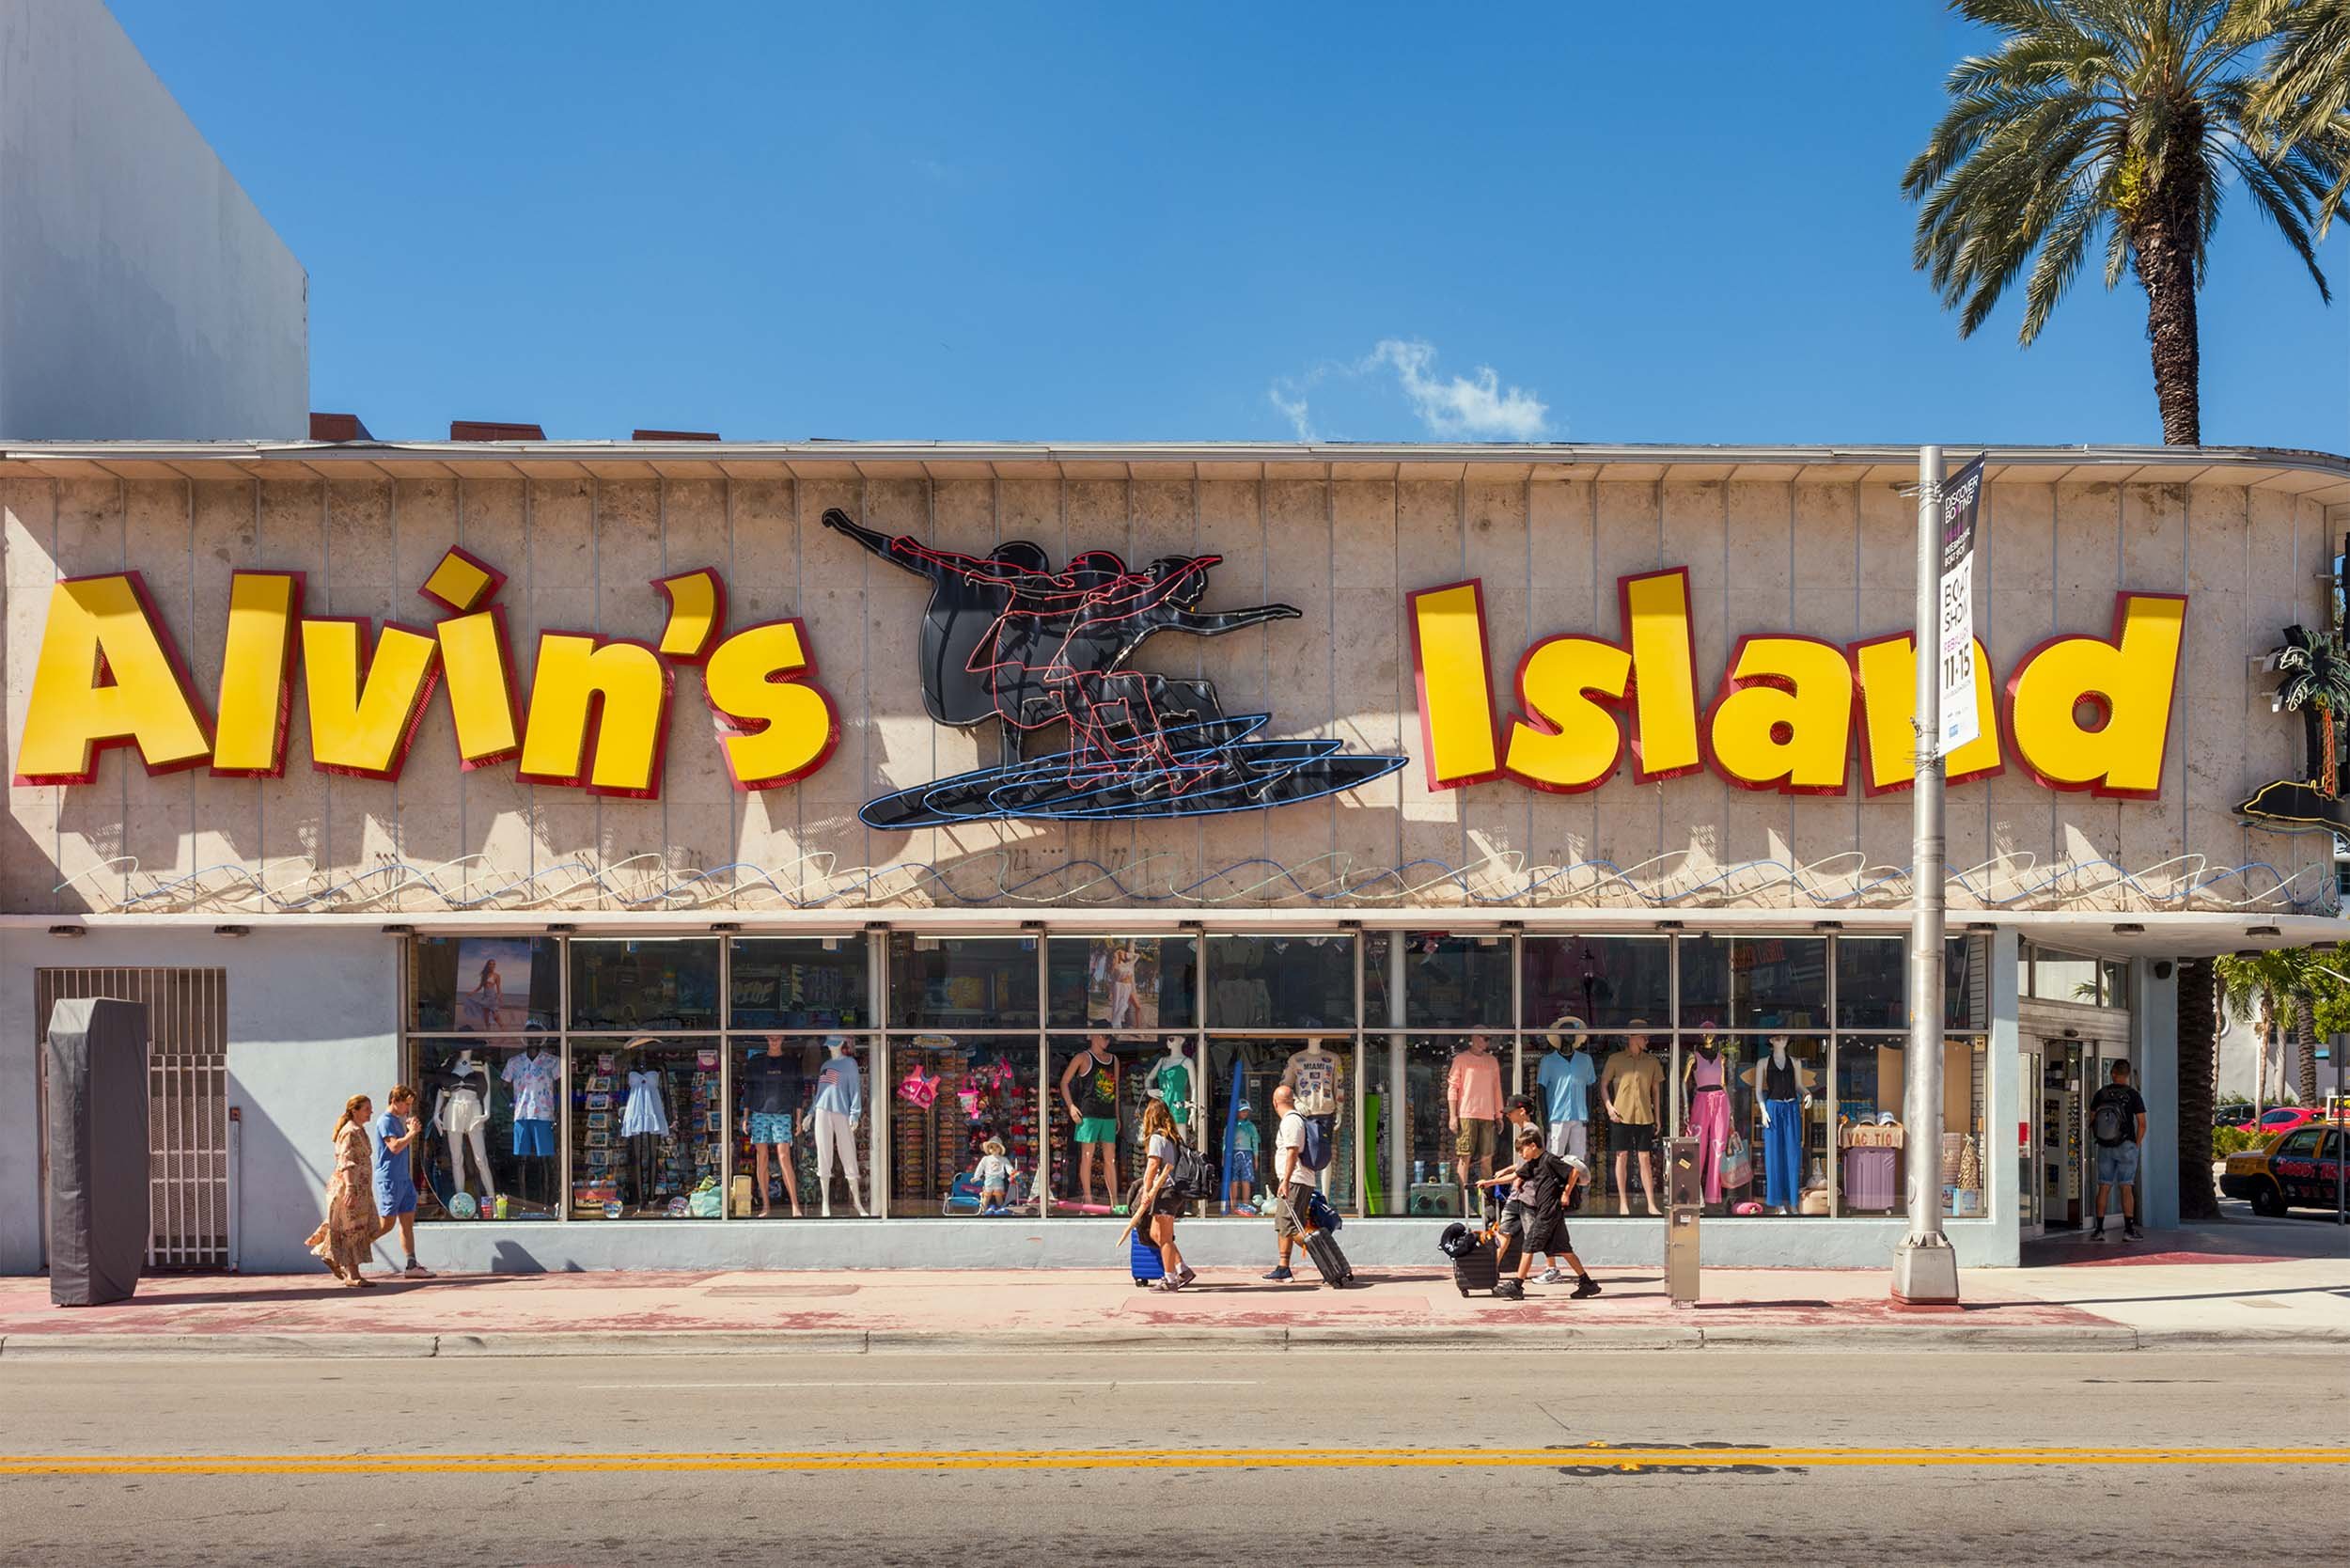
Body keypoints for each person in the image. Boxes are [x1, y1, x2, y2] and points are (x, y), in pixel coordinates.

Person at [1493, 1130, 1601, 1300]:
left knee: (1529, 1245)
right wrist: (1488, 1183)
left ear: (1533, 1146)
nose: (1520, 1154)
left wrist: (1566, 1193)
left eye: (1522, 1150)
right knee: (1564, 1249)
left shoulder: (1549, 1159)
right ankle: (1587, 1283)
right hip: (1551, 1211)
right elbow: (1514, 1176)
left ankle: (1517, 1285)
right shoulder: (1533, 1164)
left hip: (1549, 1211)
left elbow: (1573, 1172)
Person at [305, 1094, 381, 1287]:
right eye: (366, 1109)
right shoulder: (349, 1132)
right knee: (351, 1229)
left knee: (359, 1227)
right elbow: (345, 1161)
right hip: (348, 1187)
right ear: (354, 1111)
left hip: (361, 1189)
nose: (371, 1112)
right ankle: (353, 1275)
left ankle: (331, 1255)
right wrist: (350, 1188)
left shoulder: (359, 1130)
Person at [1124, 1098, 1196, 1293]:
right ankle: (1183, 1269)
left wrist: (1146, 1192)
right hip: (1172, 1191)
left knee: (1164, 1237)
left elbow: (1153, 1165)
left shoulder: (1157, 1138)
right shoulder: (1173, 1137)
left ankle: (1170, 1279)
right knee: (1156, 1234)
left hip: (1165, 1191)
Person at [1600, 1025, 1666, 1215]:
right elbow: (1603, 1085)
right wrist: (1609, 1108)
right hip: (1621, 1116)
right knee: (1621, 1156)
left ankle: (1651, 1203)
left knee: (1645, 1159)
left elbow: (1656, 1091)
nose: (1647, 1041)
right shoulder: (1615, 1059)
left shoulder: (1652, 1061)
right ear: (1633, 1038)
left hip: (1645, 1116)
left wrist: (1658, 1118)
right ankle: (1623, 1202)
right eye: (1644, 1037)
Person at [368, 1085, 432, 1278]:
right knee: (386, 1224)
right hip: (390, 1178)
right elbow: (394, 1147)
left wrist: (409, 1129)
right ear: (395, 1101)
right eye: (406, 1104)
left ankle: (411, 1265)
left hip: (403, 1178)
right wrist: (411, 1133)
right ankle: (352, 1250)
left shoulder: (398, 1120)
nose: (408, 1108)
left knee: (407, 1223)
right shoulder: (385, 1121)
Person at [741, 1034, 804, 1217]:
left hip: (782, 1113)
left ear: (783, 1038)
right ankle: (765, 1205)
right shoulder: (756, 1062)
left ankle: (795, 1205)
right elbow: (749, 1090)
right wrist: (746, 1117)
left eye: (777, 1038)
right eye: (771, 1038)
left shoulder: (791, 1063)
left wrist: (798, 1119)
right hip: (759, 1113)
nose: (774, 1041)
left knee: (784, 1156)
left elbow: (799, 1091)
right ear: (766, 1039)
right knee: (762, 1157)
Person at [1262, 1084, 1318, 1281]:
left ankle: (1328, 1257)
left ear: (1275, 1102)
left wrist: (1285, 1181)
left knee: (1291, 1226)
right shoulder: (1295, 1119)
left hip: (1295, 1180)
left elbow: (1292, 1151)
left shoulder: (1291, 1121)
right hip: (1297, 1179)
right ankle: (1283, 1267)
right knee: (1284, 1224)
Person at [2089, 1058, 2147, 1242]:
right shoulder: (2133, 1095)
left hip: (2105, 1146)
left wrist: (2101, 1137)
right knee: (2126, 1186)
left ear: (2112, 1073)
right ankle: (2129, 1230)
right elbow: (2142, 1124)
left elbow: (2092, 1120)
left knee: (2104, 1186)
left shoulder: (2101, 1093)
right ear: (2127, 1075)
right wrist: (2136, 1144)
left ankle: (2099, 1229)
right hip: (2126, 1145)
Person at [1060, 1034, 1121, 1206]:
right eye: (1104, 1036)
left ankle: (1114, 1201)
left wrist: (1117, 1115)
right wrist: (1071, 1106)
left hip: (1108, 1114)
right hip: (1088, 1114)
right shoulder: (1082, 1057)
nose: (1107, 1040)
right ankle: (1088, 1199)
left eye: (1109, 1038)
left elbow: (1116, 1089)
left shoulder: (1114, 1060)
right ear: (1094, 1036)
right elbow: (1064, 1082)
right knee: (1087, 1156)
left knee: (1110, 1158)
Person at [1448, 1033, 1505, 1196]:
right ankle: (1462, 1200)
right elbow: (1453, 1087)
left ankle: (1486, 1199)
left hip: (1487, 1114)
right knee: (1464, 1157)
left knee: (1487, 1159)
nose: (1486, 1041)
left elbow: (1496, 1088)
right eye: (1483, 1037)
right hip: (1466, 1113)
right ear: (1472, 1038)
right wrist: (1453, 1116)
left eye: (1488, 1038)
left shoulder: (1492, 1061)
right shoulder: (1461, 1059)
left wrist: (1499, 1115)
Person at [1228, 1100, 1261, 1214]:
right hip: (1234, 1153)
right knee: (1234, 1180)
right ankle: (1233, 1206)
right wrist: (1224, 1155)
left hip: (1247, 1153)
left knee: (1246, 1180)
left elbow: (1255, 1142)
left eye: (1246, 1111)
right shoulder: (1231, 1126)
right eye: (1242, 1111)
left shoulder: (1251, 1126)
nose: (1244, 1113)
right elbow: (1225, 1141)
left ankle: (1246, 1205)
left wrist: (1256, 1158)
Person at [975, 1137, 1014, 1210]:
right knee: (986, 1197)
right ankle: (983, 1210)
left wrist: (1012, 1172)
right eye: (991, 1147)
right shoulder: (986, 1159)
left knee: (999, 1197)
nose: (994, 1148)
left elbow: (1008, 1167)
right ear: (988, 1149)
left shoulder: (1003, 1159)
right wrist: (976, 1177)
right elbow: (980, 1168)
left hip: (998, 1180)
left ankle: (1001, 1210)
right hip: (989, 1180)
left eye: (997, 1146)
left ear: (1000, 1149)